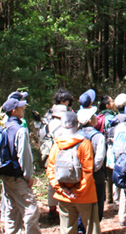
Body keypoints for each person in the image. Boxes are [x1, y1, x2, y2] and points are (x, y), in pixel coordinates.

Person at [46, 111, 100, 234]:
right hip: (85, 195)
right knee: (92, 228)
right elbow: (88, 171)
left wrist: (62, 189)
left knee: (67, 229)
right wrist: (78, 191)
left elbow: (50, 169)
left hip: (64, 195)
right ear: (77, 125)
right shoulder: (85, 143)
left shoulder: (57, 144)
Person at [0, 96, 40, 234]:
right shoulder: (20, 130)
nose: (23, 108)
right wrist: (28, 176)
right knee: (31, 208)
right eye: (20, 107)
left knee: (12, 210)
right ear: (13, 112)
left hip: (6, 177)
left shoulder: (3, 128)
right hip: (18, 178)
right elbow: (24, 156)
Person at [43, 88, 74, 219]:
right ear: (63, 101)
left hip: (51, 152)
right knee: (67, 178)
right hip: (65, 151)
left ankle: (52, 209)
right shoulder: (68, 115)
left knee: (52, 181)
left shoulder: (48, 116)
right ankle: (66, 208)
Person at [78, 106, 107, 222]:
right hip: (96, 176)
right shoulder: (99, 137)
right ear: (90, 121)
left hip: (80, 176)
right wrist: (91, 169)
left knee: (82, 203)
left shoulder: (76, 135)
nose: (96, 118)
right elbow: (99, 159)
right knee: (97, 203)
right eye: (94, 116)